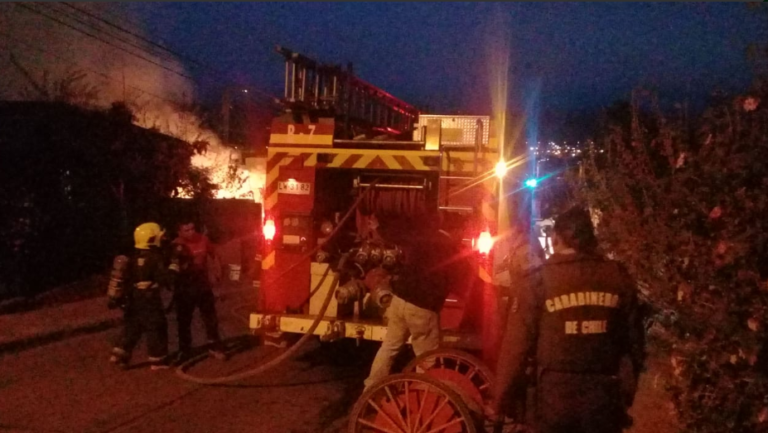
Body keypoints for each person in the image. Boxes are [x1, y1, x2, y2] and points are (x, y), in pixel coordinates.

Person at [491, 205, 646, 433]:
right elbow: (635, 343)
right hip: (604, 399)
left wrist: (500, 399)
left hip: (555, 399)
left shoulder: (539, 282)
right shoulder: (617, 277)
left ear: (557, 238)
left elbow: (516, 347)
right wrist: (626, 393)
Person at [363, 213, 461, 390]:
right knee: (427, 356)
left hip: (399, 300)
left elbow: (398, 237)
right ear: (456, 230)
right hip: (422, 307)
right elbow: (458, 279)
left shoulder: (424, 237)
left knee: (389, 348)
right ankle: (424, 394)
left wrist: (378, 228)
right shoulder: (450, 246)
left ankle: (370, 388)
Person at [108, 222, 171, 370]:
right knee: (155, 326)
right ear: (151, 238)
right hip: (149, 298)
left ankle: (119, 353)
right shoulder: (155, 257)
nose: (162, 239)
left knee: (133, 325)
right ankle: (157, 360)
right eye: (159, 236)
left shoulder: (132, 257)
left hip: (133, 296)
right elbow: (165, 279)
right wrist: (174, 266)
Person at [168, 219, 227, 364]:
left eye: (192, 229)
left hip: (202, 285)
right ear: (180, 232)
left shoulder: (203, 240)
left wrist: (218, 274)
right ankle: (185, 350)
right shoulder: (175, 245)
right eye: (186, 230)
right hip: (184, 287)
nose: (191, 232)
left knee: (210, 318)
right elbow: (169, 267)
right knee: (184, 321)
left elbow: (215, 255)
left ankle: (214, 346)